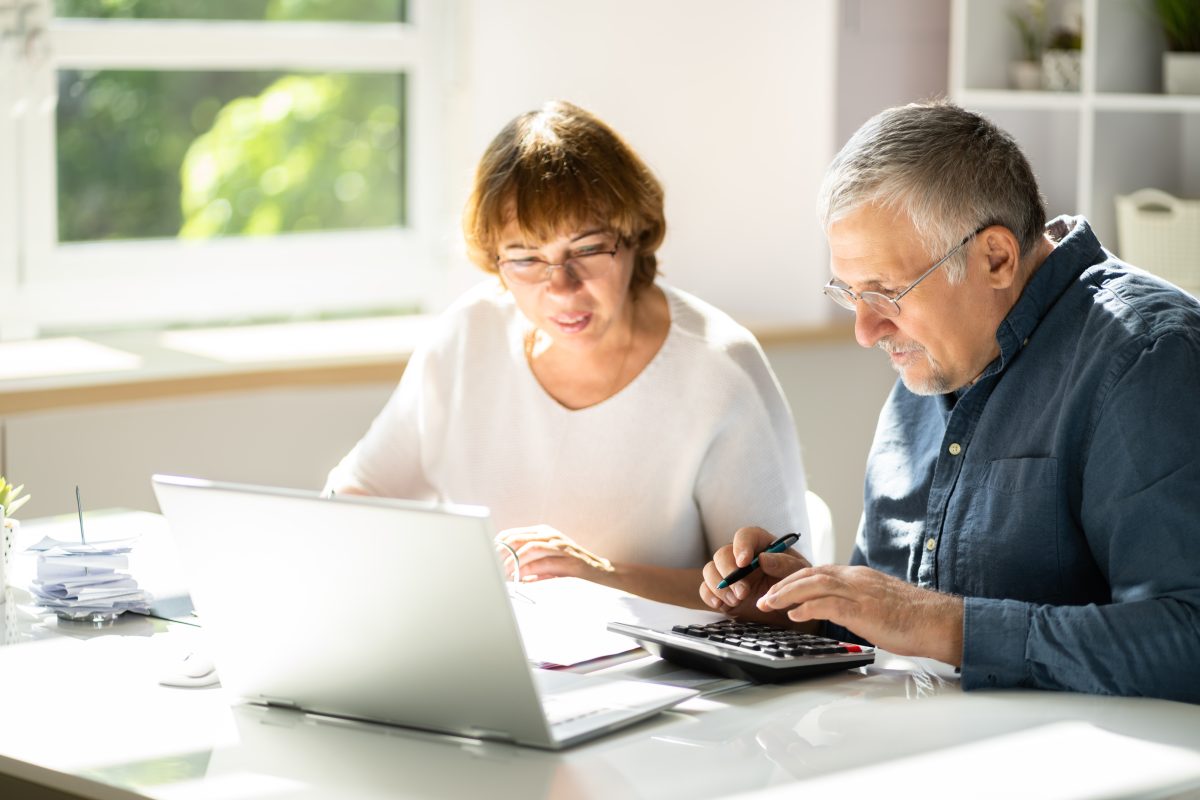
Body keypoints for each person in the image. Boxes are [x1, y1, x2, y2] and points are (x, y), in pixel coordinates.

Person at [700, 100, 1200, 703]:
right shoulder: (935, 355)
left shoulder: (1150, 357)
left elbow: (1187, 637)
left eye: (886, 293)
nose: (865, 330)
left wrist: (940, 624)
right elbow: (895, 610)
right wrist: (803, 603)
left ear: (995, 257)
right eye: (850, 294)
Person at [327, 100, 809, 608]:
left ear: (635, 234)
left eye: (586, 249)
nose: (561, 288)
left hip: (659, 677)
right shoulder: (469, 335)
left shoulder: (718, 368)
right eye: (527, 258)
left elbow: (783, 600)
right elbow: (354, 502)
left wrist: (598, 575)